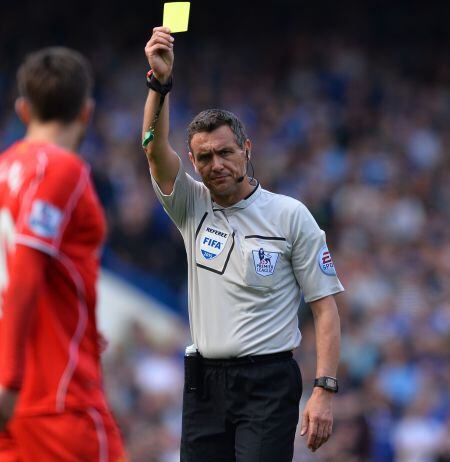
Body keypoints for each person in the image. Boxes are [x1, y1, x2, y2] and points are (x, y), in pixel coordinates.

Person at [141, 27, 344, 461]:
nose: (217, 164)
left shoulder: (290, 215)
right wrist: (160, 84)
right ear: (193, 161)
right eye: (205, 157)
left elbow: (325, 308)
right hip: (204, 383)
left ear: (246, 149)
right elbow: (153, 149)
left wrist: (324, 388)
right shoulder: (191, 206)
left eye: (226, 152)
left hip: (267, 382)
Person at [0, 47, 127, 462]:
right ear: (87, 112)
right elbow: (28, 264)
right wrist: (15, 375)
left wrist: (44, 327)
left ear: (22, 109)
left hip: (9, 409)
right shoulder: (64, 170)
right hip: (61, 397)